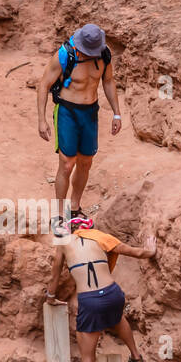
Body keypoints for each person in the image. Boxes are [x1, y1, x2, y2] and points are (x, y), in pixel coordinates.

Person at [44, 214, 156, 362]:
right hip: (113, 293)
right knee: (117, 318)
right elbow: (136, 252)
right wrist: (150, 251)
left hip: (90, 300)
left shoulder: (64, 243)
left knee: (87, 359)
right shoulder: (100, 237)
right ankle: (137, 357)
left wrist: (50, 297)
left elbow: (54, 276)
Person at [36, 24, 122, 219]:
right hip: (67, 111)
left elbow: (108, 81)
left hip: (90, 112)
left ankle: (74, 207)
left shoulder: (104, 54)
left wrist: (117, 113)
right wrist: (42, 120)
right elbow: (43, 85)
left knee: (85, 162)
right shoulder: (65, 55)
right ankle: (59, 213)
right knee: (67, 163)